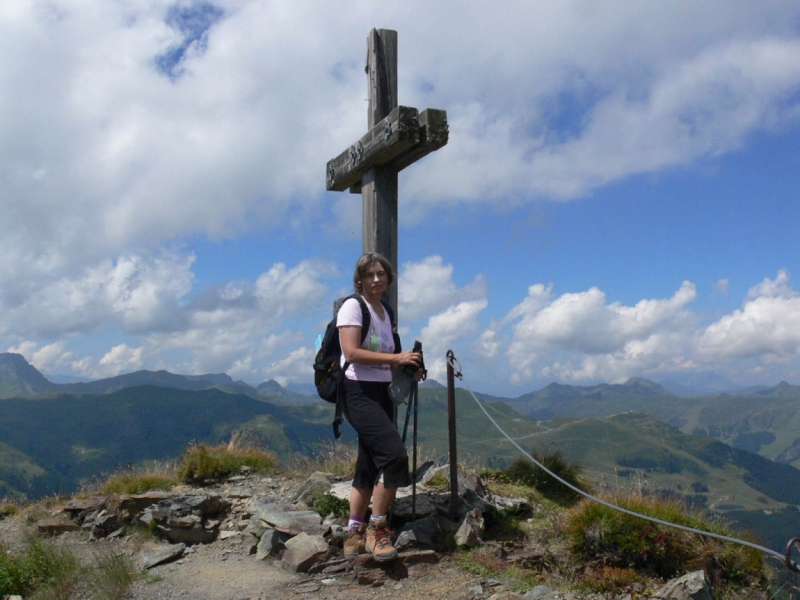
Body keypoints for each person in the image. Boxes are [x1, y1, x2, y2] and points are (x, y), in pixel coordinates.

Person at [338, 252, 423, 562]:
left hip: (382, 391)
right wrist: (395, 359)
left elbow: (392, 352)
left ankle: (354, 532)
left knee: (369, 462)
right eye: (370, 274)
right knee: (395, 457)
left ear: (388, 280)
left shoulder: (385, 311)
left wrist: (409, 366)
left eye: (381, 275)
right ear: (359, 280)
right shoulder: (353, 306)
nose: (376, 279)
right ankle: (378, 528)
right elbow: (351, 351)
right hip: (358, 391)